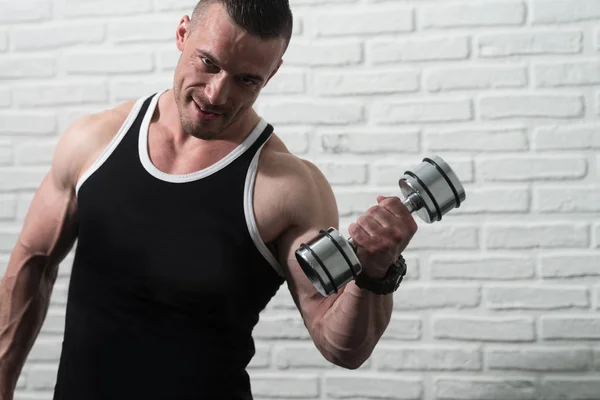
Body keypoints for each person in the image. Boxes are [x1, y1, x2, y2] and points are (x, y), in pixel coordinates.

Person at [0, 0, 418, 399]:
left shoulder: (289, 188)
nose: (217, 94)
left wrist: (374, 276)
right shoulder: (95, 141)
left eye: (246, 79)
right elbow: (32, 263)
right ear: (183, 34)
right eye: (209, 63)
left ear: (271, 75)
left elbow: (340, 345)